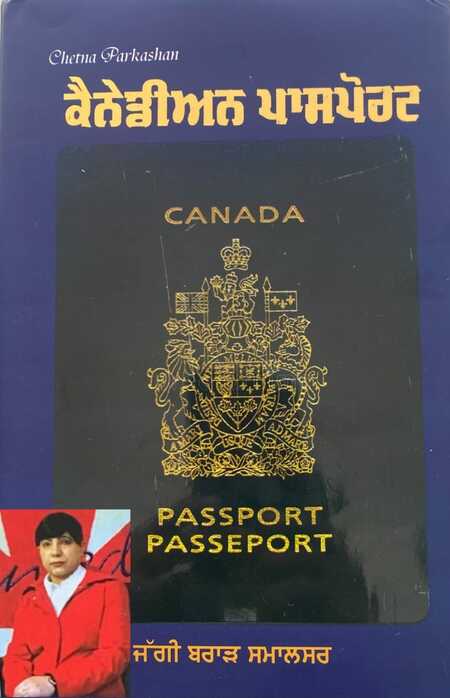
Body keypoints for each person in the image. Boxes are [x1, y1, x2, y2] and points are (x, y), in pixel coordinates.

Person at [3, 512, 130, 698]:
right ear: (39, 550)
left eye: (65, 542)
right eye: (47, 544)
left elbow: (115, 654)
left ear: (82, 547)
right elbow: (17, 656)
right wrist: (19, 689)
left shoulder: (109, 589)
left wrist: (54, 682)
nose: (55, 552)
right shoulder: (30, 597)